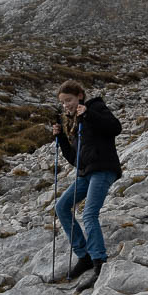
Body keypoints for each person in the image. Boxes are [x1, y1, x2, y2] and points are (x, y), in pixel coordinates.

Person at [52, 80, 123, 279]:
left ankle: (99, 260)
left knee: (89, 214)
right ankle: (84, 256)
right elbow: (75, 159)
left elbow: (116, 128)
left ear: (80, 96)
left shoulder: (95, 107)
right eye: (63, 102)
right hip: (85, 173)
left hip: (103, 169)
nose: (66, 105)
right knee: (61, 207)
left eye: (69, 100)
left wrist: (88, 114)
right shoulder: (75, 122)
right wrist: (62, 139)